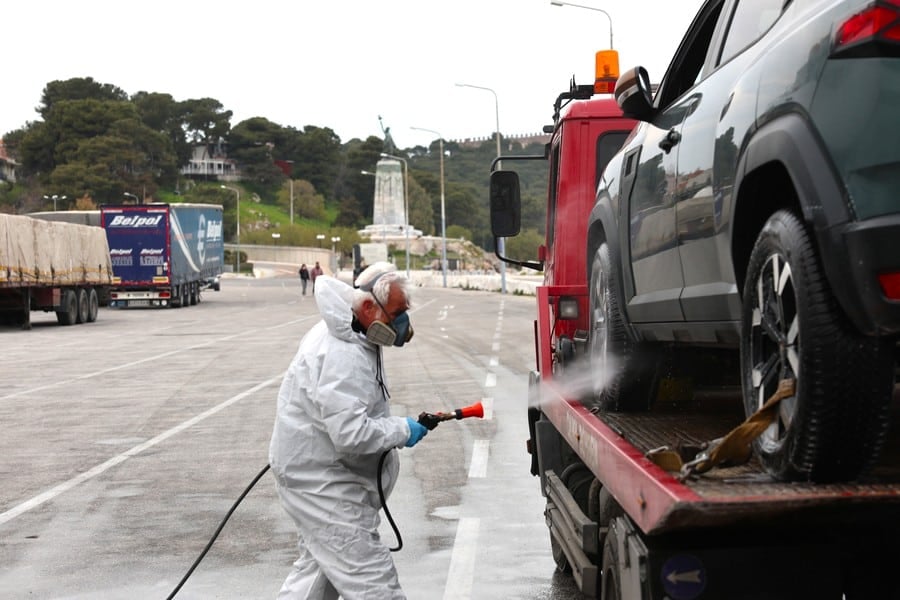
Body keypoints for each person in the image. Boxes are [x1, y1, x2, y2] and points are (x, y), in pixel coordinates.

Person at [269, 261, 427, 600]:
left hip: (323, 475)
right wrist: (402, 429)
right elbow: (351, 434)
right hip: (324, 485)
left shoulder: (353, 334)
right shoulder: (344, 352)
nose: (403, 324)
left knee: (315, 577)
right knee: (373, 582)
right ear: (369, 306)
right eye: (397, 312)